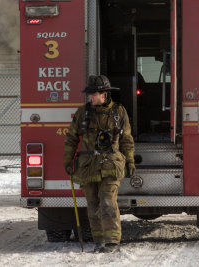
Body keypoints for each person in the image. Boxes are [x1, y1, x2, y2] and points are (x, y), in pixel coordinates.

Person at [63, 75, 135, 253]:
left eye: (93, 94)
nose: (90, 98)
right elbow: (71, 138)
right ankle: (99, 241)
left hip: (111, 165)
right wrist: (68, 160)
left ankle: (112, 241)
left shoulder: (119, 112)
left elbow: (127, 139)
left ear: (104, 94)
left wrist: (130, 161)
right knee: (93, 205)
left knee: (107, 201)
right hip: (88, 167)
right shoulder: (82, 113)